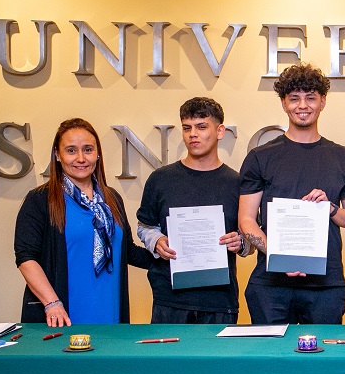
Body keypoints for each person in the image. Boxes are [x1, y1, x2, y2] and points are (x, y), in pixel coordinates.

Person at [239, 63, 345, 324]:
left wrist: (331, 208)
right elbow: (246, 219)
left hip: (326, 284)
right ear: (284, 103)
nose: (302, 105)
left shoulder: (342, 157)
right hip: (271, 284)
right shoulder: (261, 156)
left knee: (323, 360)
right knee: (270, 362)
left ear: (323, 101)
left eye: (310, 98)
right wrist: (279, 256)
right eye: (294, 98)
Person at [14, 118, 152, 327]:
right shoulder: (40, 200)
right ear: (57, 155)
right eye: (71, 150)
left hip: (110, 314)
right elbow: (26, 258)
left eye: (88, 149)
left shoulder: (112, 198)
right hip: (63, 317)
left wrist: (172, 253)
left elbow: (127, 251)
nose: (81, 158)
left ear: (97, 154)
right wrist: (52, 303)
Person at [137, 97, 247, 324]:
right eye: (187, 128)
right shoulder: (161, 179)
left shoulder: (236, 183)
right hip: (170, 298)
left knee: (215, 361)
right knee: (167, 359)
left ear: (220, 131)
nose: (193, 134)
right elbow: (144, 226)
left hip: (220, 300)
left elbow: (248, 239)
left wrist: (241, 243)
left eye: (201, 127)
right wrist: (156, 241)